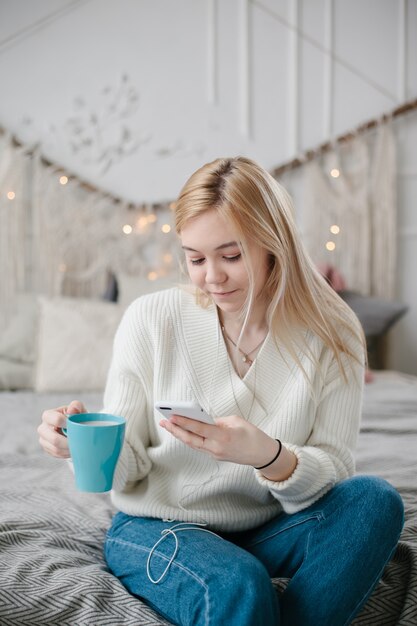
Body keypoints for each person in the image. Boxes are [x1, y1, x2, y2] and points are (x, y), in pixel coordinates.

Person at [38, 156, 404, 626]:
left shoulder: (333, 333)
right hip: (158, 523)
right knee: (239, 584)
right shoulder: (151, 319)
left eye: (230, 256)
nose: (212, 276)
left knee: (375, 501)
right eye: (195, 259)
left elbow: (332, 472)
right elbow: (127, 467)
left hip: (270, 525)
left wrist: (268, 456)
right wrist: (76, 445)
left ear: (275, 245)